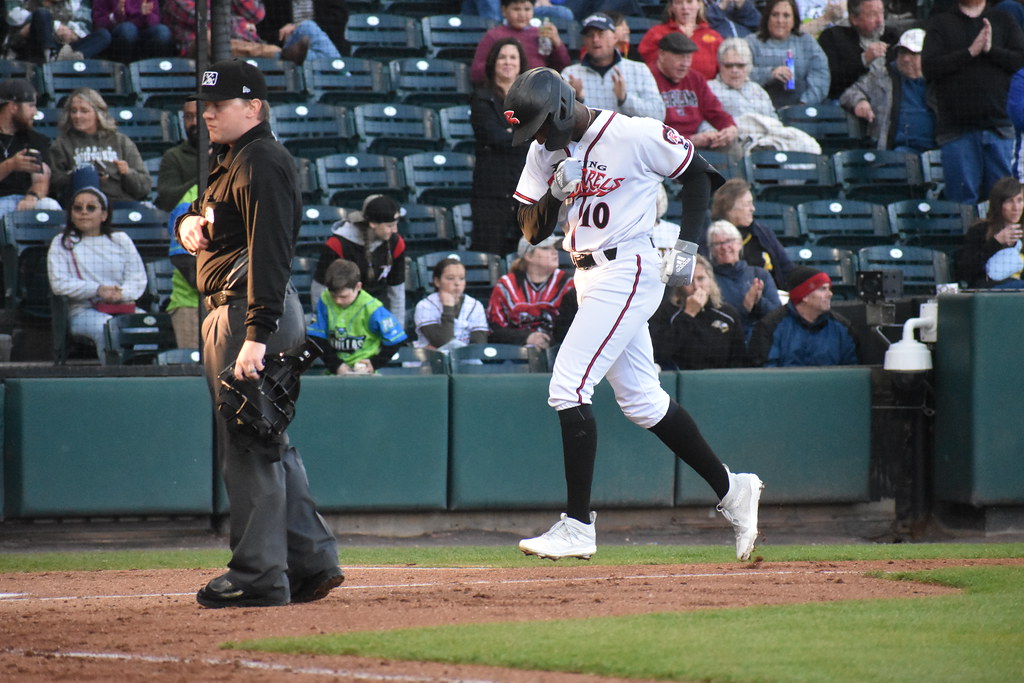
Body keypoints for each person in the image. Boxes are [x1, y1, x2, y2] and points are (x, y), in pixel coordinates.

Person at [504, 66, 764, 562]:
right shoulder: (544, 152)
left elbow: (700, 178)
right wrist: (556, 193)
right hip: (587, 272)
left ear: (560, 108)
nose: (536, 138)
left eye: (539, 126)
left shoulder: (634, 132)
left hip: (629, 266)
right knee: (643, 401)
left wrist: (685, 255)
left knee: (568, 385)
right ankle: (734, 489)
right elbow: (530, 230)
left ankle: (578, 526)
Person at [175, 59, 342, 608]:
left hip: (251, 311)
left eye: (219, 106)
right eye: (205, 106)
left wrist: (255, 335)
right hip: (246, 310)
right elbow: (199, 217)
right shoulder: (232, 160)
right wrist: (188, 225)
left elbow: (272, 255)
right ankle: (310, 560)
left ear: (253, 107)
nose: (208, 114)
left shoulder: (262, 160)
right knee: (269, 439)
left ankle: (258, 574)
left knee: (247, 443)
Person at [921, 0, 1024, 206]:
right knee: (962, 204)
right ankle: (966, 239)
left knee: (1002, 204)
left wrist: (990, 50)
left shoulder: (1003, 19)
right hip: (957, 130)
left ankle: (998, 240)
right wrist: (969, 52)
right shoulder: (940, 22)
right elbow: (929, 68)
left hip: (999, 127)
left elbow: (1019, 60)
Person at [47, 186, 147, 362]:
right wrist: (98, 290)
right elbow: (59, 283)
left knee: (147, 328)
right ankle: (112, 378)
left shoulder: (121, 240)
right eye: (78, 208)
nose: (83, 212)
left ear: (104, 214)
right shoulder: (62, 242)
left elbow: (137, 277)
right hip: (82, 312)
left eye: (91, 207)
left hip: (123, 306)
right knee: (107, 328)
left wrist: (121, 293)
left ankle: (144, 377)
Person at [707, 37, 822, 152]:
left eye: (740, 65)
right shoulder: (710, 89)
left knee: (806, 145)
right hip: (737, 144)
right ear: (720, 66)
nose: (735, 70)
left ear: (748, 67)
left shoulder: (757, 90)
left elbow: (774, 122)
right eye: (729, 65)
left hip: (770, 139)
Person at [470, 37, 530, 256]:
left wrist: (510, 134)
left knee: (525, 253)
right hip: (491, 189)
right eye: (502, 57)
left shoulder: (531, 99)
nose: (508, 62)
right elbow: (493, 136)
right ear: (493, 63)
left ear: (521, 63)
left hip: (524, 186)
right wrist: (522, 133)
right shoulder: (481, 98)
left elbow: (539, 133)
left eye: (513, 57)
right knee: (489, 250)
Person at [49, 87, 152, 207]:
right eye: (73, 111)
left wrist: (127, 173)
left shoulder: (121, 141)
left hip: (117, 201)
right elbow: (54, 183)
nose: (77, 116)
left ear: (98, 113)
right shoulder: (61, 144)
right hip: (81, 206)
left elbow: (144, 186)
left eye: (84, 111)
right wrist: (77, 174)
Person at [311, 194, 406, 322]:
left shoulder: (396, 243)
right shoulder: (337, 244)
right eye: (389, 225)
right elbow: (320, 288)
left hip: (378, 311)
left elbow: (397, 291)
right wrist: (323, 323)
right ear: (373, 223)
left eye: (395, 224)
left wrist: (397, 328)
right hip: (343, 313)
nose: (395, 230)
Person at [839, 27, 935, 152]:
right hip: (899, 151)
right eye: (902, 52)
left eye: (913, 54)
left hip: (937, 150)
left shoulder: (941, 79)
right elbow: (849, 93)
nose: (906, 59)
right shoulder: (883, 76)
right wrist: (860, 101)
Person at [308, 259, 408, 375]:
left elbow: (395, 340)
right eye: (334, 296)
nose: (337, 300)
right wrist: (336, 365)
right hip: (335, 372)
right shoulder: (325, 299)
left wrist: (374, 363)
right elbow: (317, 337)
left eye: (343, 296)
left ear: (358, 287)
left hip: (365, 372)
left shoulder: (372, 307)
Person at [650, 253, 747, 369]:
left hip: (719, 380)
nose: (696, 286)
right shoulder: (666, 312)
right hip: (680, 379)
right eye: (689, 280)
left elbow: (739, 360)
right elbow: (660, 353)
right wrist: (688, 314)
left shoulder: (728, 314)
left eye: (701, 278)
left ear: (710, 280)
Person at [748, 265, 859, 366]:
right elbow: (766, 375)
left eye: (829, 289)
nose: (830, 294)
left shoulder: (842, 328)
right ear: (804, 296)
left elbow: (852, 371)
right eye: (822, 289)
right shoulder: (770, 327)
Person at [563, 13, 666, 122]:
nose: (595, 40)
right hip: (588, 138)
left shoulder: (639, 70)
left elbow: (659, 114)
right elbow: (557, 119)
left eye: (601, 34)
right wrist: (576, 101)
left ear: (615, 38)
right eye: (590, 35)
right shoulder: (571, 74)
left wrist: (625, 99)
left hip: (627, 137)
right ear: (584, 40)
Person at [651, 33, 741, 157]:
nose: (685, 64)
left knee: (734, 147)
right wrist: (688, 139)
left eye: (688, 58)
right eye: (679, 57)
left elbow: (715, 111)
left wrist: (730, 128)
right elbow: (650, 131)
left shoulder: (694, 78)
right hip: (665, 146)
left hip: (698, 141)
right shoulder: (648, 77)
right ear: (661, 55)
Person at [487, 235, 575, 350]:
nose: (555, 252)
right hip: (515, 352)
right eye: (545, 248)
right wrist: (526, 337)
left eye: (554, 248)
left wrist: (550, 340)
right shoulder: (506, 286)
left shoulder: (569, 285)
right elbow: (494, 329)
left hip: (559, 350)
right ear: (528, 256)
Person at [162, 0, 312, 63]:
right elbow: (208, 21)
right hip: (199, 57)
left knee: (310, 28)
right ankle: (278, 54)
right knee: (209, 37)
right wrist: (240, 22)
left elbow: (257, 15)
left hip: (243, 48)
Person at [746, 0, 831, 109]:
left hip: (801, 111)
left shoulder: (807, 42)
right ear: (767, 17)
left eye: (786, 16)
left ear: (794, 20)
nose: (780, 21)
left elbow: (821, 77)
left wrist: (803, 105)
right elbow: (742, 74)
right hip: (760, 109)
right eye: (775, 15)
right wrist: (770, 73)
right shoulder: (751, 42)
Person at [710, 178, 793, 287]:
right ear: (729, 208)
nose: (752, 209)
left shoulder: (763, 233)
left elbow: (787, 268)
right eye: (747, 204)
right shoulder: (711, 236)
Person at [707, 218, 780, 340]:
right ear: (711, 250)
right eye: (717, 244)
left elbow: (777, 316)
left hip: (759, 343)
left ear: (739, 243)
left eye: (729, 241)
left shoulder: (760, 274)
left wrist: (758, 302)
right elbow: (711, 320)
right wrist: (744, 307)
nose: (724, 247)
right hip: (724, 344)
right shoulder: (708, 279)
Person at [469, 0, 572, 86]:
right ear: (504, 11)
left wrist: (557, 42)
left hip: (539, 89)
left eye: (527, 9)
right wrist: (502, 69)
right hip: (503, 92)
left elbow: (563, 66)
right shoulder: (493, 35)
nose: (522, 14)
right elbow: (476, 73)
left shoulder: (541, 33)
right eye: (516, 9)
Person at [0, 79, 62, 218]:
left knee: (50, 205)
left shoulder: (36, 139)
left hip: (25, 201)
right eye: (31, 106)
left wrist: (32, 196)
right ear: (13, 107)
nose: (35, 112)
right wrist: (10, 165)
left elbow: (42, 179)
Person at [817, 0, 898, 102]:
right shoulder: (833, 37)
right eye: (872, 14)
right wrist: (863, 60)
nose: (880, 20)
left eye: (881, 12)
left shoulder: (891, 36)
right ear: (854, 18)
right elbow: (831, 82)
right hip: (845, 104)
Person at [957, 176, 1024, 287]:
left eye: (1019, 200)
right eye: (1009, 201)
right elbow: (965, 271)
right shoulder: (980, 230)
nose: (1016, 208)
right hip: (989, 289)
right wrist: (996, 242)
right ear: (998, 204)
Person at [413, 256, 490, 350]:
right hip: (432, 360)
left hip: (466, 360)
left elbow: (479, 344)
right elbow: (443, 342)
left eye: (461, 278)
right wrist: (448, 307)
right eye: (450, 278)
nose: (457, 283)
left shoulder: (475, 305)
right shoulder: (425, 306)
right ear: (437, 281)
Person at [638, 0, 724, 81]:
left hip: (706, 90)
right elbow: (648, 67)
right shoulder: (656, 33)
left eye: (689, 2)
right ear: (671, 8)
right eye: (679, 2)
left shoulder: (714, 36)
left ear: (699, 5)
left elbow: (724, 68)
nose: (685, 7)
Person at [4, 1, 112, 63]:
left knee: (104, 35)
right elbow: (14, 18)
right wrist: (55, 25)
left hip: (65, 48)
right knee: (42, 14)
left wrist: (74, 34)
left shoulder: (72, 4)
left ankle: (71, 58)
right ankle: (50, 57)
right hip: (33, 47)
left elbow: (84, 27)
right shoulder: (27, 4)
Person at [166, 185, 200, 350]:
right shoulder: (191, 198)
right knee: (196, 368)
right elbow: (183, 260)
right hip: (191, 306)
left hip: (231, 304)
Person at [91, 0, 175, 62]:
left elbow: (156, 21)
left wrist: (147, 15)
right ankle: (124, 71)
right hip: (117, 38)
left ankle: (153, 72)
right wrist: (116, 16)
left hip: (143, 36)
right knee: (128, 29)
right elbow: (99, 23)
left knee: (163, 32)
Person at [156, 100, 199, 213]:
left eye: (199, 115)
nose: (194, 122)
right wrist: (205, 173)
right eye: (189, 117)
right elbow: (168, 200)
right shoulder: (173, 156)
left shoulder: (226, 152)